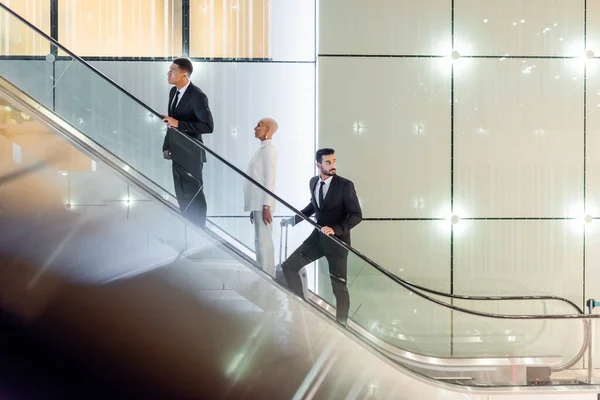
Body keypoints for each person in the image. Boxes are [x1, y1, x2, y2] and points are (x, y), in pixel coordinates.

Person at [281, 148, 362, 325]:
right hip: (317, 240)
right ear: (318, 164)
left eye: (334, 161)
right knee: (289, 266)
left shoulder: (345, 185)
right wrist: (294, 220)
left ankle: (342, 327)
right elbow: (314, 206)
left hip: (337, 244)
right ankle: (301, 309)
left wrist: (336, 229)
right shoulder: (313, 182)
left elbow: (356, 215)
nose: (333, 165)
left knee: (338, 288)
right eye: (328, 162)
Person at [162, 58, 214, 228]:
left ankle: (200, 232)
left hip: (191, 154)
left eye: (172, 70)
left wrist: (179, 124)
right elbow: (171, 123)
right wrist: (167, 146)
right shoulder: (173, 93)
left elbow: (208, 126)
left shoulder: (197, 95)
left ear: (184, 74)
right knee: (182, 195)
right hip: (177, 152)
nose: (169, 73)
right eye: (169, 70)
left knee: (194, 195)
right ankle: (189, 231)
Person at [244, 118, 278, 276]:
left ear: (268, 130)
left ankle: (267, 275)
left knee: (264, 242)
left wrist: (266, 206)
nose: (255, 128)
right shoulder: (262, 149)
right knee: (259, 241)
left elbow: (270, 179)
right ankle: (263, 274)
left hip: (263, 204)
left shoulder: (269, 150)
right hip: (257, 204)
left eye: (259, 125)